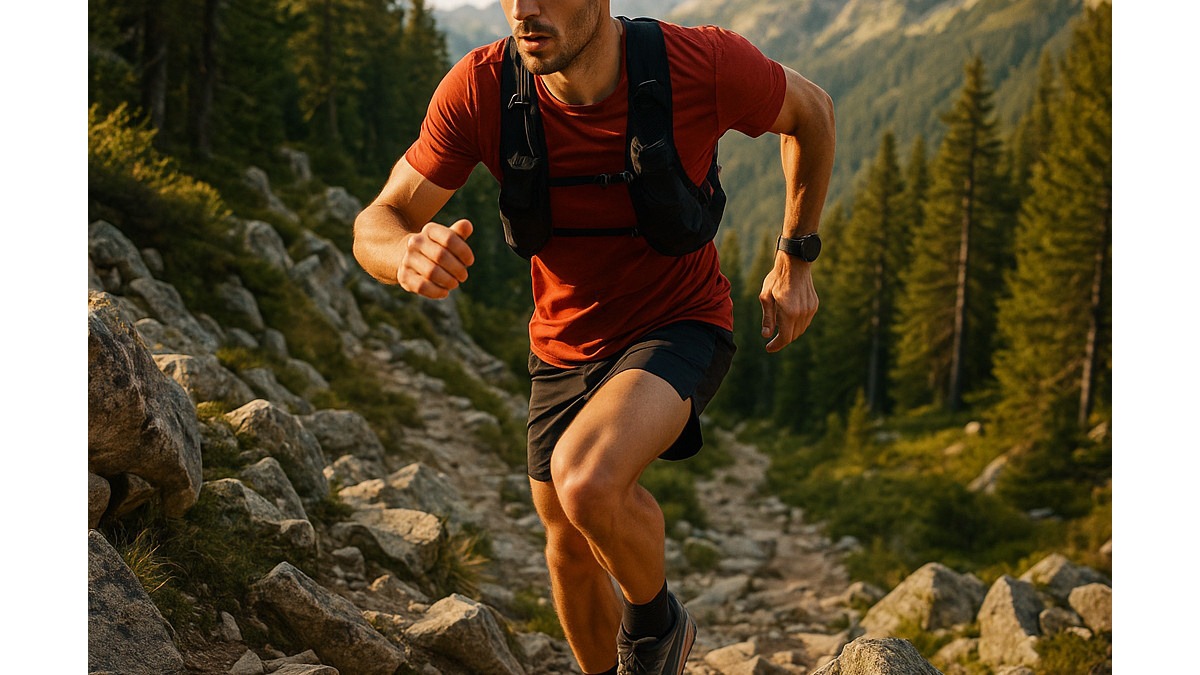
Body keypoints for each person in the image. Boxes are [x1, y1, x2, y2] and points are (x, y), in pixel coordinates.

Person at [352, 1, 834, 673]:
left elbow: (812, 112)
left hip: (680, 322)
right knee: (567, 547)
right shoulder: (484, 88)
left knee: (584, 481)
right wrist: (402, 252)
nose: (524, 9)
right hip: (562, 347)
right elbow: (377, 218)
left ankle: (655, 629)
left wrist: (796, 259)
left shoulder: (700, 64)